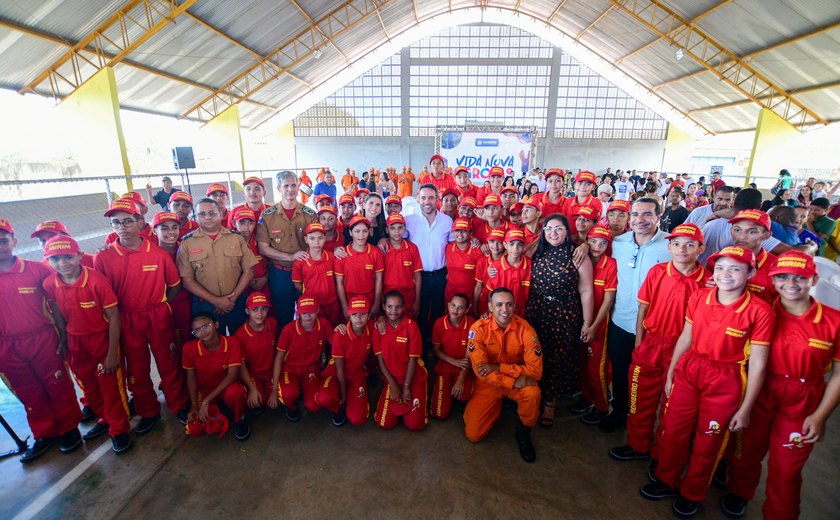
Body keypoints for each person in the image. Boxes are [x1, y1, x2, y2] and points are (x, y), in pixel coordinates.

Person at [641, 246, 774, 519]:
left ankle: (693, 492)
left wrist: (746, 408)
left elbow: (758, 364)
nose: (726, 274)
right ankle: (666, 479)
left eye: (735, 269)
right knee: (673, 429)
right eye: (721, 268)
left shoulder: (760, 311)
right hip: (690, 369)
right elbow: (686, 337)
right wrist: (671, 373)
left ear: (751, 273)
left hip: (726, 379)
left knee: (708, 441)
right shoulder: (701, 296)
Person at [722, 252, 840, 520]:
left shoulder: (833, 321)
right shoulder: (760, 311)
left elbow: (838, 376)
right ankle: (739, 492)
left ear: (814, 280)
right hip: (760, 389)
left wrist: (820, 416)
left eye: (800, 277)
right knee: (745, 451)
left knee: (786, 470)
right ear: (773, 281)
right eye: (782, 277)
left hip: (803, 399)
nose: (791, 283)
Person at [609, 223, 709, 464]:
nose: (682, 249)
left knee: (672, 409)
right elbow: (643, 309)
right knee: (639, 400)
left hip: (684, 351)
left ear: (701, 249)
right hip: (651, 344)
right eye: (676, 244)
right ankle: (637, 445)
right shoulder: (657, 272)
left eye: (689, 245)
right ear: (669, 247)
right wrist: (639, 344)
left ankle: (662, 457)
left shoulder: (708, 282)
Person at [94, 200, 189, 435]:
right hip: (126, 318)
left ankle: (179, 405)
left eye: (127, 221)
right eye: (116, 222)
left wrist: (161, 303)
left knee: (168, 363)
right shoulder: (104, 258)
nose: (122, 227)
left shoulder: (158, 254)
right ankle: (148, 411)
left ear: (140, 222)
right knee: (137, 368)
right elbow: (103, 296)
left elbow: (174, 285)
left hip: (158, 315)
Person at [0, 219, 84, 462]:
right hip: (6, 347)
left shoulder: (38, 270)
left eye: (3, 240)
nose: (0, 246)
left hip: (42, 340)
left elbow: (58, 304)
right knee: (28, 392)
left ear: (14, 242)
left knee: (57, 385)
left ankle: (69, 429)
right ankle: (45, 433)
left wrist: (64, 335)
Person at [42, 236, 132, 454]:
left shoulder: (96, 281)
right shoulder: (50, 284)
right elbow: (59, 314)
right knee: (89, 386)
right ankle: (105, 418)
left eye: (68, 257)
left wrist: (112, 353)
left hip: (101, 339)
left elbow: (114, 317)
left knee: (110, 386)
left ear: (80, 256)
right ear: (47, 261)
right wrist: (64, 339)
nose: (62, 263)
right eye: (55, 259)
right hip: (75, 342)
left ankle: (119, 428)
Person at [601, 198, 671, 433]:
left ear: (659, 217)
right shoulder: (617, 243)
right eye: (636, 214)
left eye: (647, 214)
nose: (641, 219)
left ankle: (642, 422)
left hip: (653, 327)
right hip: (620, 321)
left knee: (648, 379)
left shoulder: (670, 246)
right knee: (620, 371)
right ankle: (620, 412)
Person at [524, 214, 594, 426]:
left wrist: (587, 322)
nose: (553, 233)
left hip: (565, 314)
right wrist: (540, 238)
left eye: (559, 228)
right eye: (549, 229)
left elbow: (586, 290)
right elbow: (518, 253)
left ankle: (550, 403)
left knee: (558, 357)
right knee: (537, 354)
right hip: (537, 311)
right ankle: (534, 394)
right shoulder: (537, 252)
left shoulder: (577, 255)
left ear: (567, 232)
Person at [464, 288, 542, 462]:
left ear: (514, 306)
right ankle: (494, 406)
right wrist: (511, 382)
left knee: (532, 393)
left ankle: (523, 432)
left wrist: (499, 367)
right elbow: (481, 371)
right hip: (490, 384)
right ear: (490, 307)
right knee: (473, 435)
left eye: (509, 304)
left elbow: (536, 371)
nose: (504, 309)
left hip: (517, 381)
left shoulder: (526, 330)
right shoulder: (478, 329)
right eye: (499, 305)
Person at [178, 198, 258, 335]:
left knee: (241, 340)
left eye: (212, 213)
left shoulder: (236, 238)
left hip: (236, 302)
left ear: (220, 213)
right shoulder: (187, 243)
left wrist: (231, 300)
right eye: (202, 214)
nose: (207, 217)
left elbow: (249, 271)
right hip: (205, 305)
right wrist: (216, 301)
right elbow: (187, 280)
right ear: (195, 216)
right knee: (211, 343)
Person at [257, 171, 317, 327]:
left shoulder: (310, 215)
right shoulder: (267, 216)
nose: (290, 190)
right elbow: (263, 248)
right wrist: (290, 257)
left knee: (309, 314)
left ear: (298, 187)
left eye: (293, 185)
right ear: (278, 188)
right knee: (282, 316)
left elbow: (318, 243)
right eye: (286, 186)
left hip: (305, 273)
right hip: (280, 274)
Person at [573, 224, 617, 425]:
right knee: (581, 363)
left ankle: (602, 406)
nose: (597, 246)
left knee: (595, 369)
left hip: (598, 325)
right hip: (579, 321)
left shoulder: (611, 265)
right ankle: (587, 397)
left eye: (603, 243)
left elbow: (608, 301)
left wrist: (593, 326)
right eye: (593, 241)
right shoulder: (581, 258)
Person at [182, 313, 250, 441]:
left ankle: (240, 419)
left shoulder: (232, 342)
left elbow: (232, 375)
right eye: (197, 330)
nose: (203, 332)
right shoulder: (189, 348)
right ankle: (219, 414)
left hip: (226, 387)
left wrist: (206, 401)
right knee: (194, 428)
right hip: (204, 390)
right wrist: (194, 405)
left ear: (217, 324)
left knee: (236, 393)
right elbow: (190, 376)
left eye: (206, 326)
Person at [403, 184, 453, 354]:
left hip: (441, 275)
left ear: (437, 199)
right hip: (419, 276)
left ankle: (438, 349)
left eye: (431, 197)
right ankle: (421, 350)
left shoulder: (447, 221)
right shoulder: (409, 220)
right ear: (418, 199)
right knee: (420, 313)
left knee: (439, 312)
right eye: (423, 198)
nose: (427, 201)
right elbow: (398, 240)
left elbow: (454, 243)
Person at [268, 297, 331, 421]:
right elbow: (279, 357)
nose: (308, 316)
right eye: (304, 312)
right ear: (298, 313)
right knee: (288, 395)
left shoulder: (323, 324)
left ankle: (305, 392)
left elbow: (336, 342)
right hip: (290, 370)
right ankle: (292, 407)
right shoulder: (288, 330)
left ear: (317, 310)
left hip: (312, 369)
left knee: (313, 406)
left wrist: (341, 328)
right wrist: (274, 390)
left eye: (311, 311)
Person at [373, 291, 428, 431]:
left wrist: (406, 386)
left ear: (404, 307)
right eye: (389, 306)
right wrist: (393, 385)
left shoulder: (411, 326)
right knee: (384, 423)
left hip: (413, 378)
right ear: (384, 307)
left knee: (414, 425)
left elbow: (413, 359)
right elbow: (381, 360)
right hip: (392, 379)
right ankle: (400, 408)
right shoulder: (379, 327)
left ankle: (414, 406)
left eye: (398, 307)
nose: (393, 311)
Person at [315, 296, 373, 427]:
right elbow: (340, 371)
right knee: (323, 398)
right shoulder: (340, 335)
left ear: (369, 316)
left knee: (357, 418)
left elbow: (384, 322)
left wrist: (380, 320)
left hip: (356, 373)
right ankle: (338, 407)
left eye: (363, 314)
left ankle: (352, 400)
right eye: (354, 314)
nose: (358, 318)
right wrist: (343, 396)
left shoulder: (372, 327)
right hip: (335, 372)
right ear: (348, 316)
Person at [430, 294, 475, 420]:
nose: (456, 310)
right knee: (439, 413)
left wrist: (461, 380)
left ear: (467, 309)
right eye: (453, 305)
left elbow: (469, 355)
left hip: (464, 367)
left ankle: (459, 397)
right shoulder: (439, 323)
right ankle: (449, 392)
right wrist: (454, 361)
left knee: (465, 395)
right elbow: (436, 350)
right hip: (445, 365)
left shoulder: (472, 324)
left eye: (461, 307)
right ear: (448, 305)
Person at [233, 292, 277, 415]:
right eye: (255, 309)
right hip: (253, 374)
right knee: (256, 401)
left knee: (281, 396)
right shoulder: (240, 335)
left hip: (271, 372)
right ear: (247, 311)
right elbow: (241, 365)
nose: (260, 313)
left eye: (264, 309)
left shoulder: (273, 324)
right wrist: (251, 388)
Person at [292, 223, 342, 327]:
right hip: (311, 306)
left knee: (334, 328)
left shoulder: (332, 257)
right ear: (306, 239)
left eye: (320, 238)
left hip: (332, 303)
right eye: (312, 238)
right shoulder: (300, 261)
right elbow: (297, 284)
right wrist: (309, 292)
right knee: (315, 330)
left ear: (325, 239)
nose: (316, 242)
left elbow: (338, 280)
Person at [336, 215, 384, 320]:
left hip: (370, 299)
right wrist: (345, 306)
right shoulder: (342, 254)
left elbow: (379, 279)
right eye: (357, 231)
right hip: (349, 299)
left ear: (369, 232)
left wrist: (376, 303)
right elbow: (339, 283)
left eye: (364, 231)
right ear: (350, 232)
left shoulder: (375, 252)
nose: (361, 235)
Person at [481, 229, 533, 317]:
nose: (515, 248)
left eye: (519, 244)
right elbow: (489, 292)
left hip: (524, 314)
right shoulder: (496, 266)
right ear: (505, 245)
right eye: (511, 244)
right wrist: (486, 311)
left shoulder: (531, 265)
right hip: (500, 313)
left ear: (524, 246)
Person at [382, 214, 423, 318]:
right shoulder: (382, 249)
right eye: (392, 228)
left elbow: (418, 277)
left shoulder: (412, 248)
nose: (396, 231)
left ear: (405, 229)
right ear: (387, 230)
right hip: (388, 295)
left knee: (409, 323)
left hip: (408, 296)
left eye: (400, 227)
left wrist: (417, 301)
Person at [231, 207, 269, 293]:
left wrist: (265, 278)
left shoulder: (262, 242)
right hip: (238, 290)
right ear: (234, 223)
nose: (246, 227)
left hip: (262, 287)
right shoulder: (229, 244)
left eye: (250, 223)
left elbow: (272, 264)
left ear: (255, 224)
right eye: (241, 223)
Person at [566, 171, 603, 237]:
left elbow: (594, 226)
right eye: (580, 183)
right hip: (567, 238)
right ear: (574, 185)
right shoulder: (568, 202)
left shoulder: (596, 203)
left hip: (586, 240)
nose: (582, 187)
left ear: (593, 187)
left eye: (588, 184)